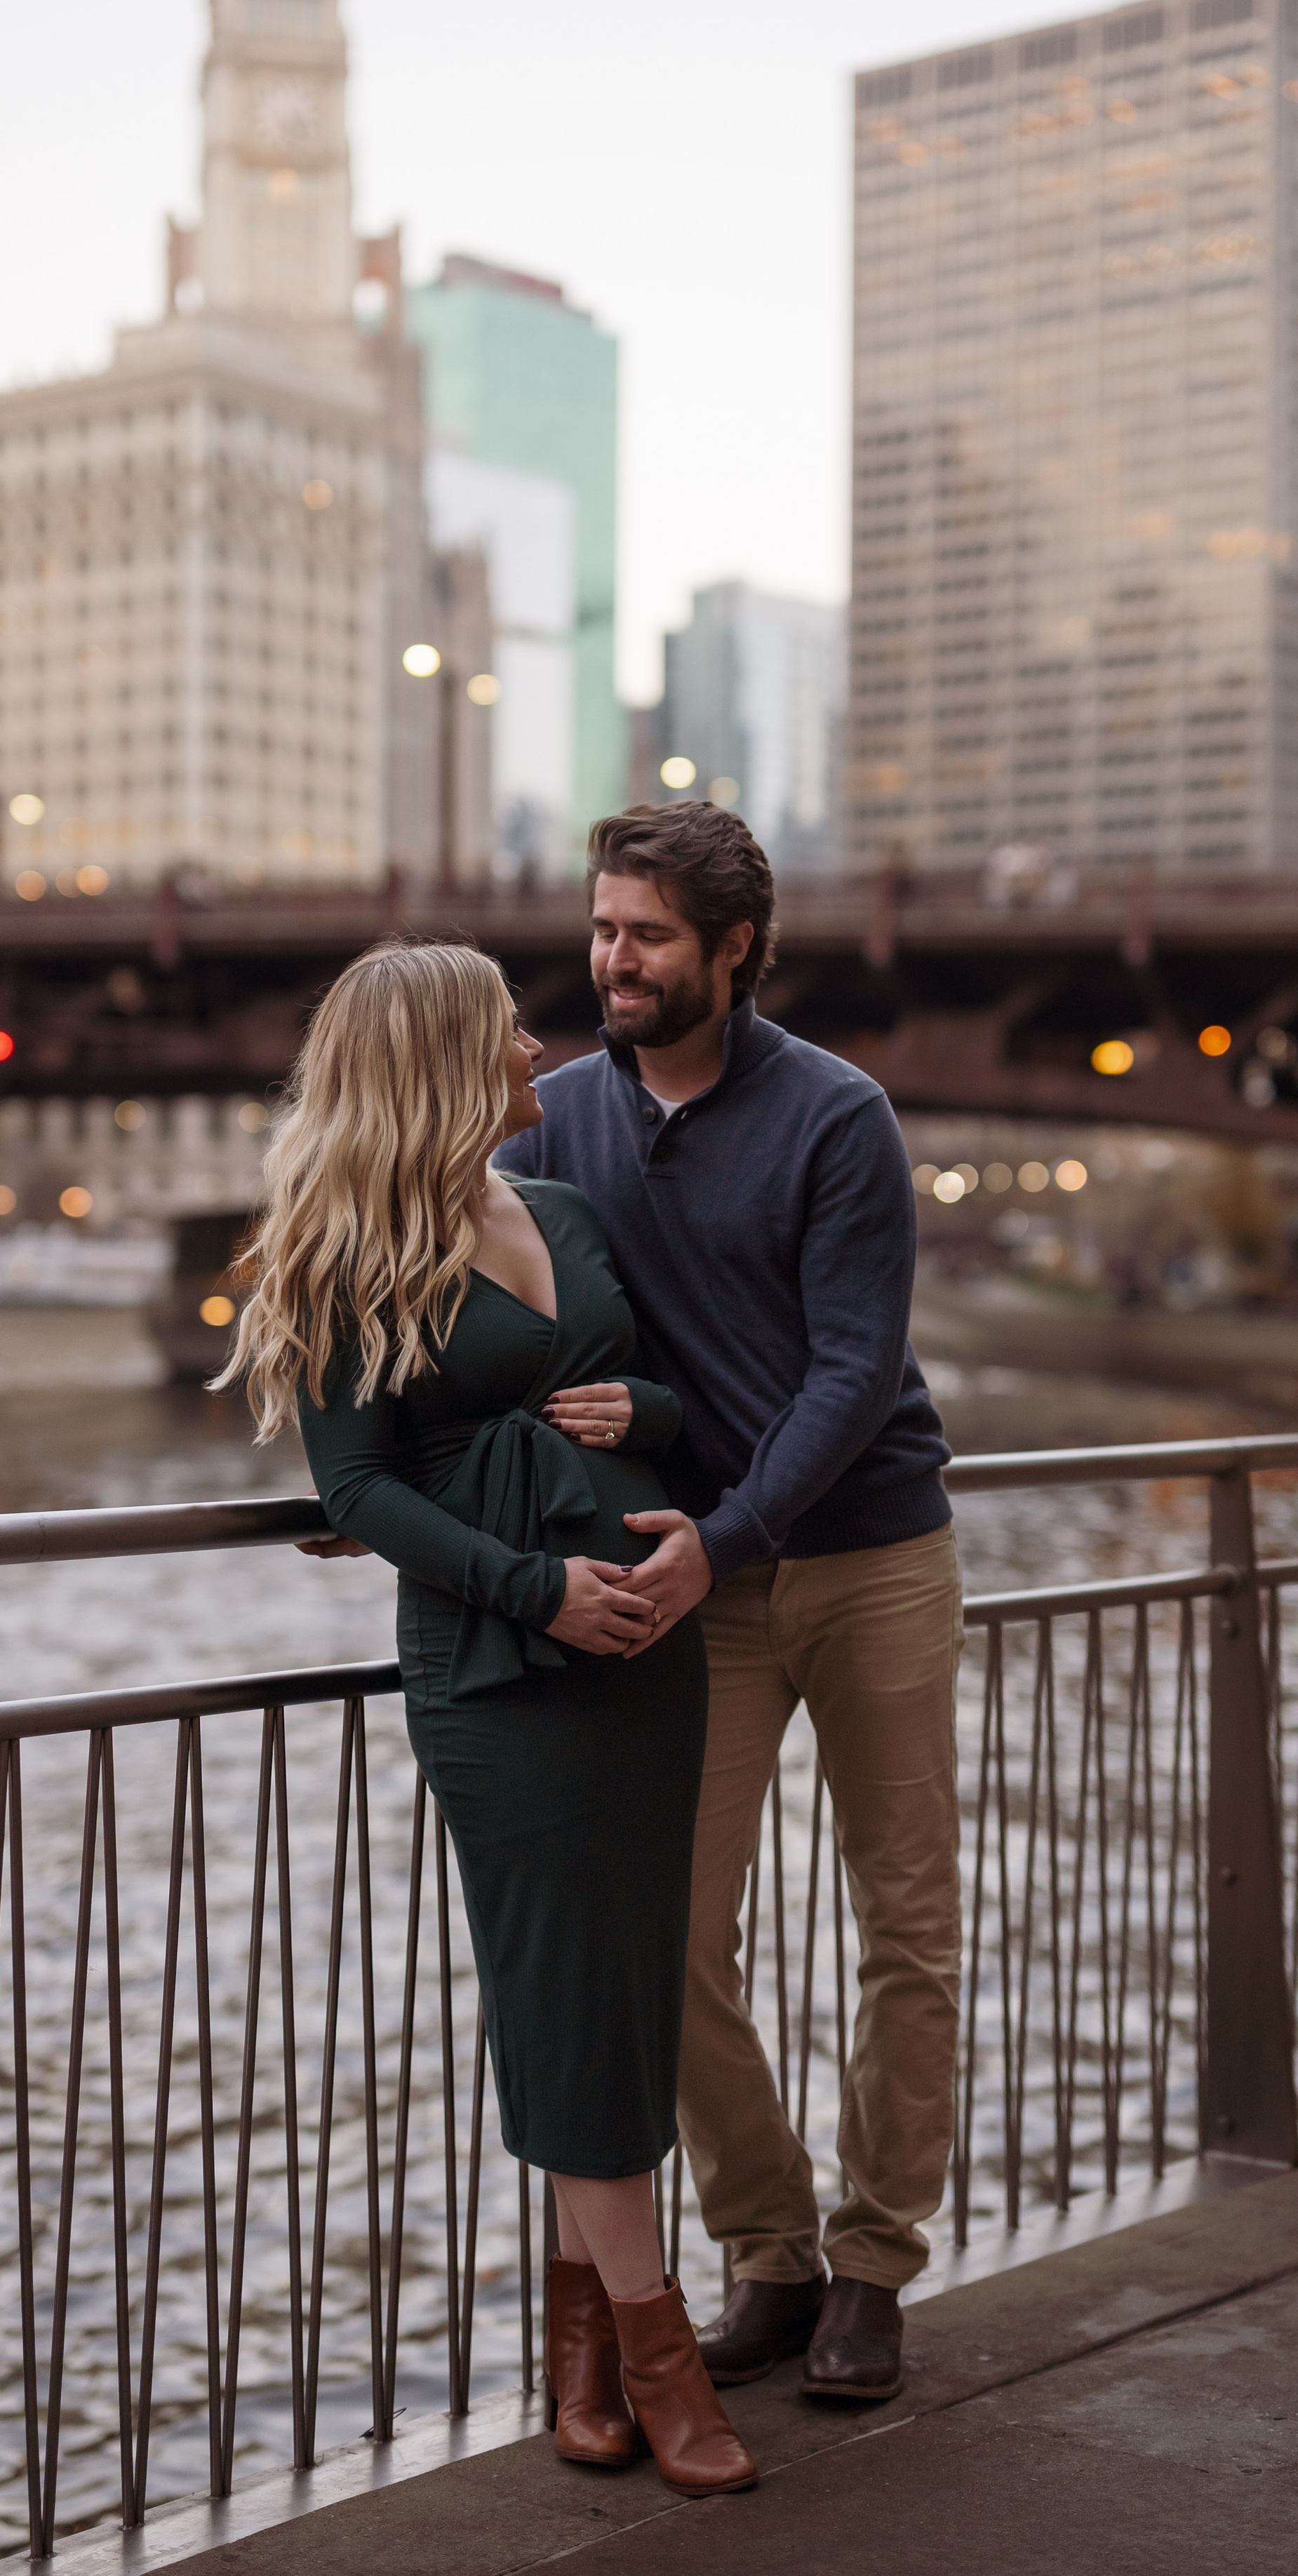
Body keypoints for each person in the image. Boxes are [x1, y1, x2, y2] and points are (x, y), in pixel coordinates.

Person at [215, 937, 756, 2499]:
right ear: (441, 1055)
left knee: (632, 1985)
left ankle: (578, 2338)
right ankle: (656, 2352)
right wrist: (536, 1591)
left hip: (652, 1650)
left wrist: (640, 1424)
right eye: (504, 1029)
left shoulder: (568, 1215)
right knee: (557, 1989)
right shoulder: (333, 1248)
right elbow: (358, 1488)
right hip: (504, 1669)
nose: (535, 1046)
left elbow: (662, 1400)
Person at [496, 803, 962, 2405]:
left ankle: (875, 2266)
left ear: (734, 950)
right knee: (669, 1940)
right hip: (700, 1575)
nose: (610, 962)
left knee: (904, 1926)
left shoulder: (837, 1119)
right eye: (602, 929)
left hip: (867, 1554)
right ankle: (767, 2256)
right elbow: (462, 1302)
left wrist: (730, 1525)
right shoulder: (551, 1118)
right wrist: (390, 1486)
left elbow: (850, 1371)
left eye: (645, 938)